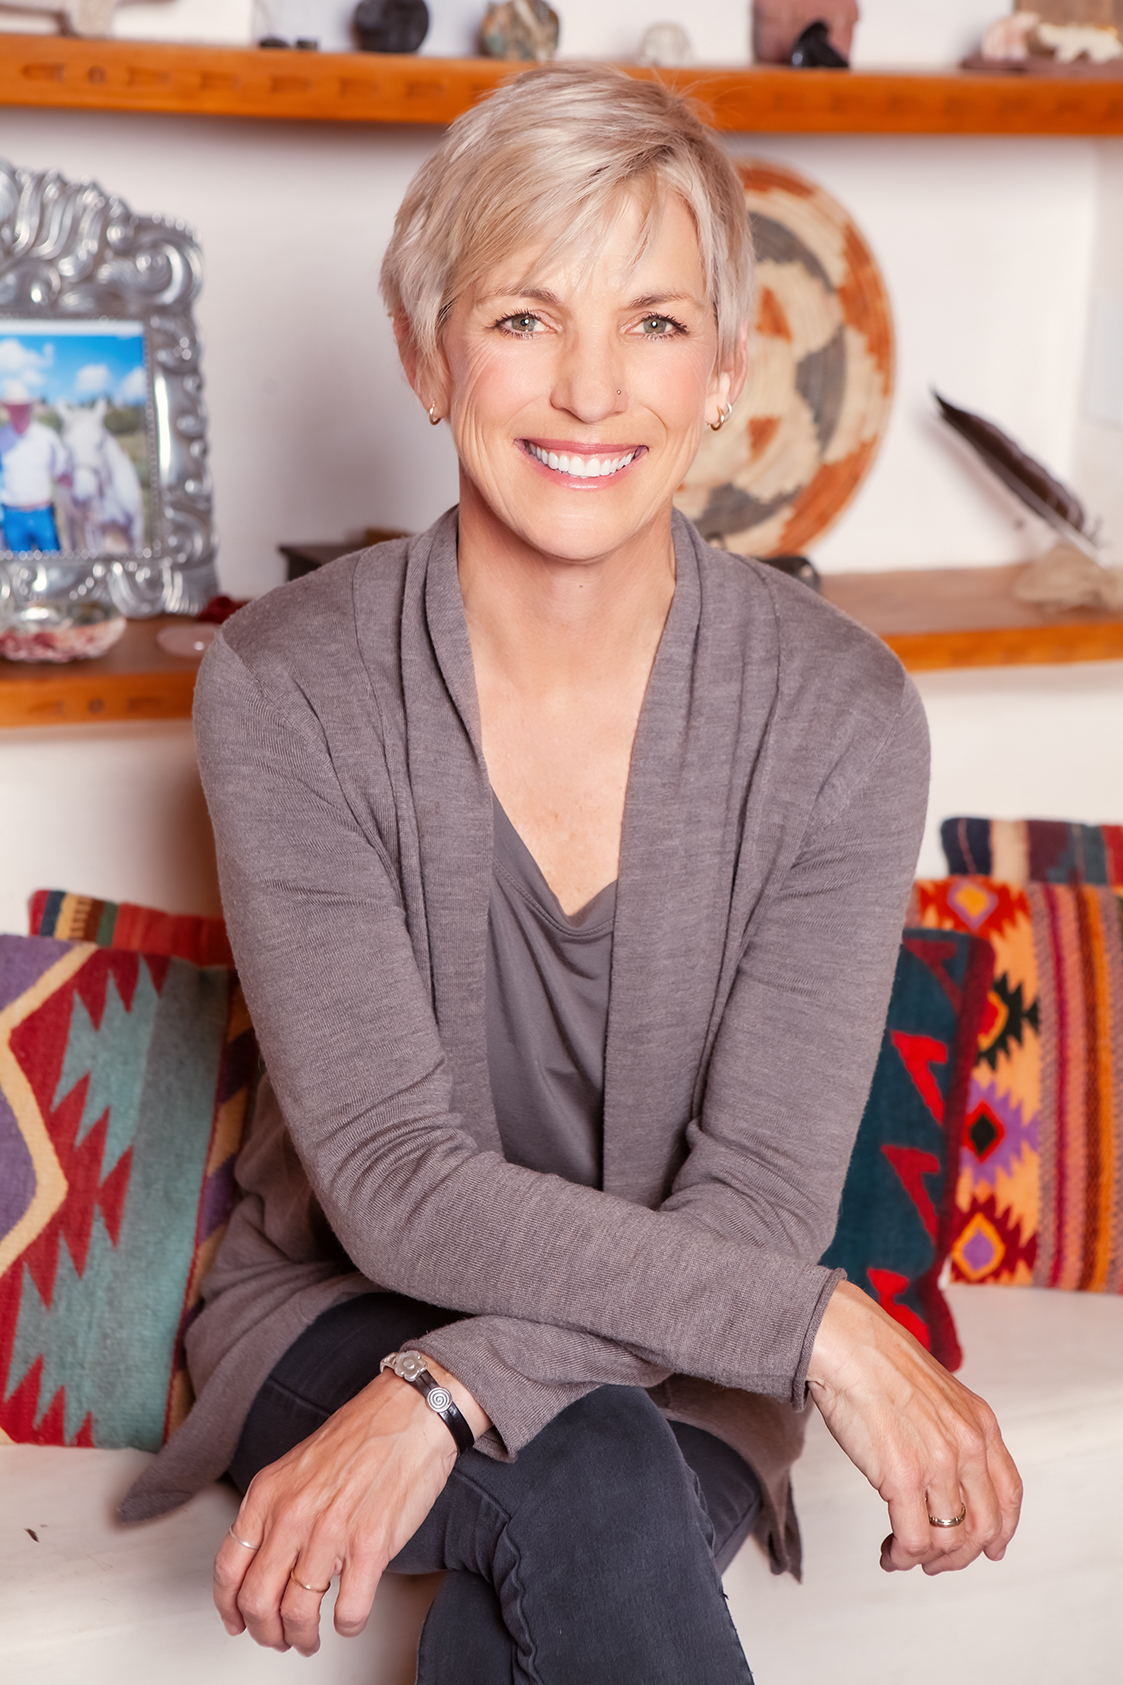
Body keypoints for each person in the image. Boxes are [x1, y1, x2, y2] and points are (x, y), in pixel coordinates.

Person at [121, 63, 1021, 1682]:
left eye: (654, 323)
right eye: (524, 317)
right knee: (591, 1471)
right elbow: (391, 1178)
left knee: (578, 1495)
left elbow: (755, 1198)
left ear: (725, 369)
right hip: (336, 1312)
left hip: (691, 1361)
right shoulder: (287, 686)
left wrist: (449, 1394)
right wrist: (815, 1324)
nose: (590, 389)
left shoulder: (840, 715)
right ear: (426, 353)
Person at [0, 379, 69, 553]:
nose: (18, 411)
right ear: (8, 409)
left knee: (53, 562)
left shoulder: (47, 437)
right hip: (12, 516)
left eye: (21, 407)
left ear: (29, 408)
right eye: (14, 407)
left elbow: (60, 472)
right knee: (19, 566)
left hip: (43, 514)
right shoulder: (1, 438)